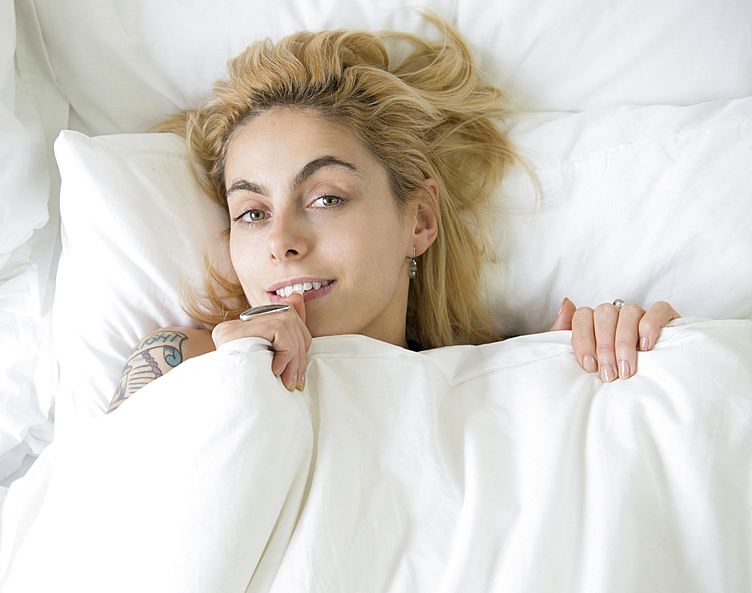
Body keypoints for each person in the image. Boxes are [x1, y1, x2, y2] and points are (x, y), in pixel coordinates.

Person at [107, 15, 679, 412]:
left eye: (325, 198)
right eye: (252, 212)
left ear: (420, 222)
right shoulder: (182, 364)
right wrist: (228, 379)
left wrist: (626, 353)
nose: (281, 240)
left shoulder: (507, 374)